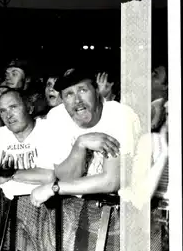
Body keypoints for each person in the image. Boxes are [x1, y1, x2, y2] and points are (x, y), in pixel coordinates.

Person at [29, 67, 140, 205]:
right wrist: (80, 144)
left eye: (82, 90)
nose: (77, 100)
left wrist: (55, 188)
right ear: (62, 100)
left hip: (120, 207)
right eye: (69, 94)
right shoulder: (57, 117)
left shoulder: (120, 114)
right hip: (78, 208)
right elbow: (66, 177)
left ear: (97, 91)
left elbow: (112, 181)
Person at [0, 89, 55, 197]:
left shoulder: (48, 129)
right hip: (7, 206)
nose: (8, 115)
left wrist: (11, 175)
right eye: (3, 110)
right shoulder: (0, 135)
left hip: (46, 204)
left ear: (29, 108)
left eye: (13, 107)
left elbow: (52, 176)